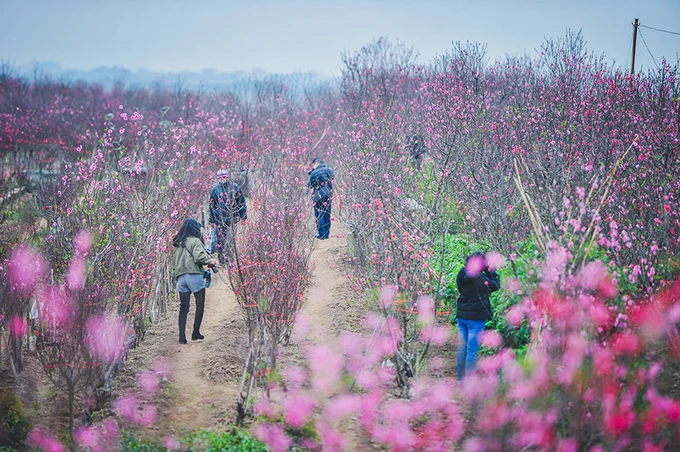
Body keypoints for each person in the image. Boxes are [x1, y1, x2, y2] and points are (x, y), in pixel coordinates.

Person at [455, 252, 501, 380]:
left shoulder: (462, 272)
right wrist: (490, 270)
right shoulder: (481, 278)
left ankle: (461, 380)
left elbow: (460, 288)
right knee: (471, 351)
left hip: (462, 315)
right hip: (476, 318)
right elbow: (496, 285)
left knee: (462, 349)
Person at [172, 218, 217, 344]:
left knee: (184, 308)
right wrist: (210, 261)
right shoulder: (195, 241)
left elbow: (174, 263)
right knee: (199, 305)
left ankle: (182, 337)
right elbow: (199, 257)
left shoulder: (178, 243)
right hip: (194, 276)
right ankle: (195, 333)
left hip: (181, 278)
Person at [209, 168, 247, 265]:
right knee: (219, 242)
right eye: (220, 177)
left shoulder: (235, 188)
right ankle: (221, 262)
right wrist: (212, 220)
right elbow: (211, 206)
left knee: (229, 242)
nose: (222, 178)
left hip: (232, 220)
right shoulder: (215, 190)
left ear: (228, 177)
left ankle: (230, 262)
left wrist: (243, 217)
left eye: (224, 176)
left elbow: (241, 203)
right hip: (219, 220)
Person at [307, 157, 334, 240]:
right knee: (327, 214)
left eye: (313, 164)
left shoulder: (314, 173)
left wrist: (312, 172)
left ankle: (321, 233)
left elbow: (310, 185)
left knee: (319, 214)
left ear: (317, 163)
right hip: (328, 194)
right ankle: (327, 233)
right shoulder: (330, 170)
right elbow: (332, 178)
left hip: (318, 195)